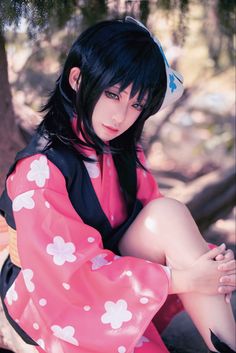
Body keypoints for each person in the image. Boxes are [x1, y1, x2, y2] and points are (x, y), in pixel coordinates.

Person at [0, 16, 235, 353]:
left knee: (167, 212)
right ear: (78, 80)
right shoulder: (40, 169)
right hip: (52, 293)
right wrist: (186, 279)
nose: (121, 116)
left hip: (113, 274)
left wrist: (212, 269)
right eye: (113, 94)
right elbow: (68, 276)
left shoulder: (122, 149)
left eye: (136, 104)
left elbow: (157, 223)